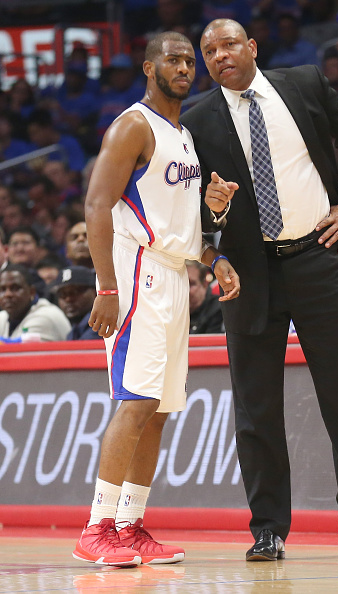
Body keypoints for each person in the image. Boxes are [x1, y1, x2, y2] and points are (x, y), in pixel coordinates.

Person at [181, 18, 338, 561]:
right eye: (210, 51)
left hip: (318, 258)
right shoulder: (196, 120)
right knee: (257, 408)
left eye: (229, 44)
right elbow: (195, 213)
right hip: (249, 273)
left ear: (251, 46)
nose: (220, 55)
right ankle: (269, 528)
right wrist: (215, 211)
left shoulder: (303, 83)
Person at [73, 31, 240, 567]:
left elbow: (183, 221)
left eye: (190, 60)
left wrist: (212, 251)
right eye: (174, 59)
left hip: (173, 275)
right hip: (135, 270)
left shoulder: (183, 134)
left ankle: (131, 525)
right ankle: (96, 526)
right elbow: (98, 206)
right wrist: (105, 286)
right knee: (136, 399)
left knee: (160, 408)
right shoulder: (133, 125)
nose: (186, 67)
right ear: (149, 67)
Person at [0, 264, 71, 342]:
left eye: (15, 288)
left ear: (32, 292)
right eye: (2, 289)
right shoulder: (3, 317)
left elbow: (18, 351)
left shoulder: (45, 316)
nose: (7, 294)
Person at [52, 266, 101, 340]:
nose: (68, 299)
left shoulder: (101, 323)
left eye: (75, 292)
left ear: (95, 292)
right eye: (62, 294)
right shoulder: (74, 330)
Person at [187, 259, 224, 333]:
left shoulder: (218, 310)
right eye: (179, 284)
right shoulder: (168, 309)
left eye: (190, 284)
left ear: (204, 284)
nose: (184, 290)